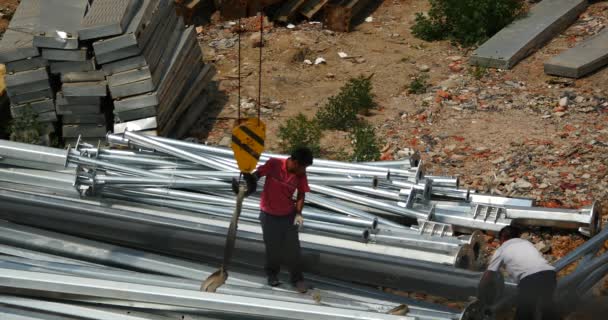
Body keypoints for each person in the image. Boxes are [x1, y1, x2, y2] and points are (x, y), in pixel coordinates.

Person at [251, 147, 313, 293]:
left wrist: (298, 213)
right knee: (272, 248)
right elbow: (258, 174)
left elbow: (301, 194)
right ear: (296, 163)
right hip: (268, 215)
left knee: (293, 249)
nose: (304, 171)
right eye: (303, 167)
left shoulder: (300, 175)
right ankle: (272, 275)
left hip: (288, 215)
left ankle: (297, 279)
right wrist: (250, 179)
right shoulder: (274, 164)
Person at [479, 226, 559, 320]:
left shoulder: (502, 249)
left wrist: (479, 294)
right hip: (549, 274)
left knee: (524, 313)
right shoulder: (526, 243)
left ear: (503, 238)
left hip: (530, 278)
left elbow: (489, 274)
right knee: (547, 310)